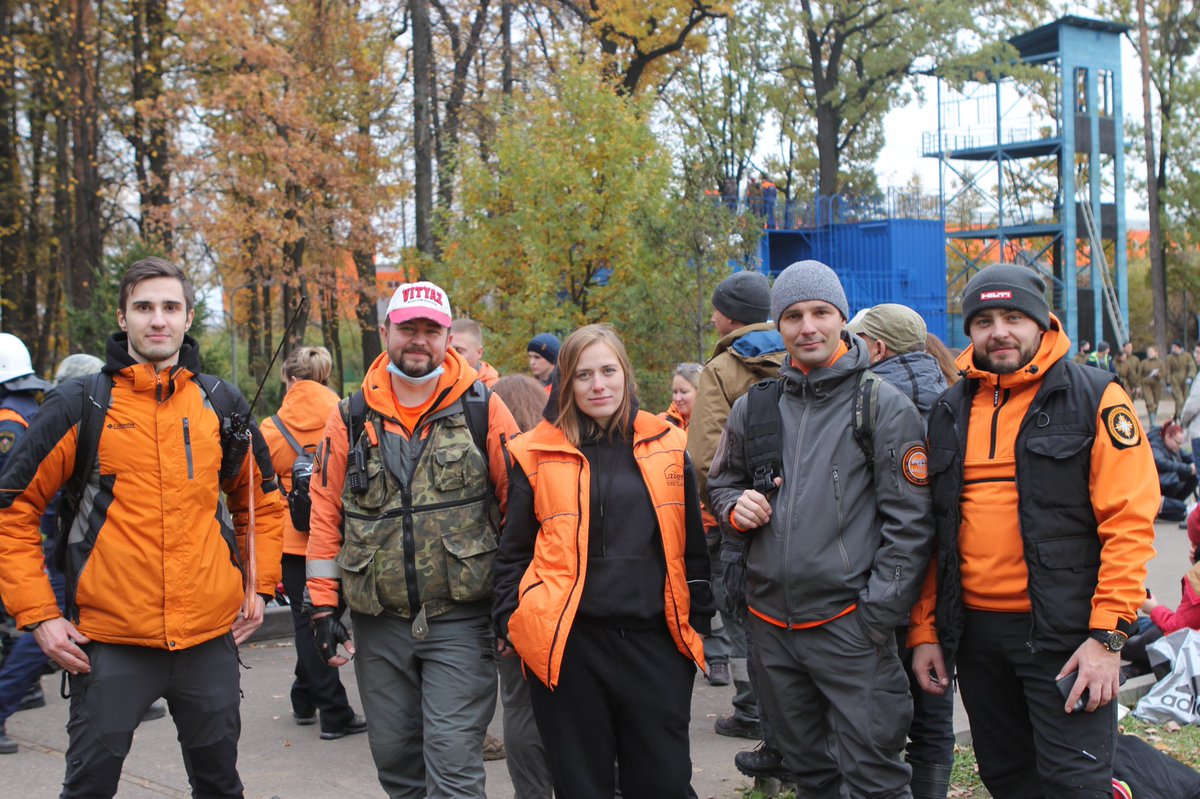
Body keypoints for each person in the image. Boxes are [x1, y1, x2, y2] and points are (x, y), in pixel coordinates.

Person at [0, 257, 285, 796]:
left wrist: (259, 585)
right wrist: (39, 616)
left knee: (220, 786)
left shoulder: (220, 402)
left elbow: (261, 504)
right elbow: (12, 512)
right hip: (108, 643)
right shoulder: (80, 403)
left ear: (188, 318)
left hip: (208, 640)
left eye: (170, 307)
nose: (158, 319)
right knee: (88, 788)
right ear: (123, 316)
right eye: (144, 307)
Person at [909, 263, 1159, 799]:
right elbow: (934, 536)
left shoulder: (1095, 396)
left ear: (1042, 322)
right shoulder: (948, 410)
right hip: (976, 639)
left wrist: (1107, 639)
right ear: (969, 330)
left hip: (1067, 636)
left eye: (1013, 317)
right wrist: (926, 631)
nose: (999, 332)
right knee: (1007, 779)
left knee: (1074, 784)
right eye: (984, 321)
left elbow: (1129, 524)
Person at [707, 260, 935, 799]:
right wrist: (735, 505)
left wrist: (873, 618)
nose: (807, 327)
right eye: (793, 316)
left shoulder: (881, 405)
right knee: (810, 777)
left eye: (821, 313)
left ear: (841, 319)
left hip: (849, 629)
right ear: (778, 326)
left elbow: (911, 526)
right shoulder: (755, 407)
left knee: (876, 779)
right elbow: (720, 484)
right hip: (772, 630)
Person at [305, 280, 519, 798]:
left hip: (461, 618)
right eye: (408, 328)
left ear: (447, 337)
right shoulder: (349, 416)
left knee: (453, 762)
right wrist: (322, 607)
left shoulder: (483, 409)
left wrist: (513, 604)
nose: (418, 340)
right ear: (386, 332)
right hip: (378, 621)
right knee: (397, 763)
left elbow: (520, 510)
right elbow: (325, 513)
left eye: (431, 330)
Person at [493, 324, 714, 799]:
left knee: (664, 783)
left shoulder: (669, 443)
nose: (598, 385)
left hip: (654, 644)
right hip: (570, 648)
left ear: (625, 375)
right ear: (566, 383)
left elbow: (692, 548)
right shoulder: (534, 452)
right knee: (582, 787)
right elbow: (514, 552)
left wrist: (697, 624)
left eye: (608, 371)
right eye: (584, 375)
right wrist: (513, 620)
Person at [848, 303, 953, 798]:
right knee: (933, 708)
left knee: (873, 714)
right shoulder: (953, 401)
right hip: (944, 584)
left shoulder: (864, 405)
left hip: (878, 581)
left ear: (876, 348)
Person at [687, 270, 786, 767]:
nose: (711, 317)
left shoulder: (723, 369)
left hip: (741, 520)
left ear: (729, 316)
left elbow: (706, 458)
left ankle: (752, 713)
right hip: (809, 516)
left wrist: (726, 507)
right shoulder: (800, 352)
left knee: (743, 616)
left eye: (716, 309)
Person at [259, 346, 366, 741]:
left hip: (292, 541)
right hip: (339, 532)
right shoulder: (346, 415)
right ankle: (321, 706)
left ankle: (317, 703)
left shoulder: (271, 428)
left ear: (289, 379)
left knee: (309, 625)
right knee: (325, 619)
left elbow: (258, 486)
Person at [488, 374, 554, 799]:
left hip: (505, 598)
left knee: (518, 702)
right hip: (554, 592)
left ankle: (531, 794)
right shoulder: (551, 457)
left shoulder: (490, 456)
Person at [848, 303, 948, 418]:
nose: (854, 348)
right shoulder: (946, 394)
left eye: (859, 342)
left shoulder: (866, 402)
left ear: (879, 350)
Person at [1148, 419, 1196, 522]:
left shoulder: (1174, 446)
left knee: (1194, 475)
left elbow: (1188, 456)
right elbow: (1162, 462)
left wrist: (1197, 464)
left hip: (1167, 486)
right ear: (1168, 437)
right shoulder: (1154, 445)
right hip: (1157, 486)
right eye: (1177, 443)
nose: (1179, 446)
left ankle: (1178, 506)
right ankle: (1183, 508)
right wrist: (1188, 469)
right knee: (1175, 475)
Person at [451, 317, 500, 388]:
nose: (451, 355)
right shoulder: (437, 379)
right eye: (447, 350)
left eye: (459, 351)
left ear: (479, 353)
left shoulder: (493, 388)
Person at [1168, 340, 1197, 415]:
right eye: (1172, 347)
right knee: (1179, 400)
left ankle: (1183, 416)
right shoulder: (1170, 358)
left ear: (1179, 347)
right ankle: (1180, 416)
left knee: (1186, 400)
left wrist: (1190, 376)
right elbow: (1167, 371)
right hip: (1174, 381)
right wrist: (1168, 383)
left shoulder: (1187, 356)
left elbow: (1192, 366)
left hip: (1186, 381)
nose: (1173, 349)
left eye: (1175, 347)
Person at [1142, 345, 1164, 427]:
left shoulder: (1159, 363)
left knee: (1156, 403)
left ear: (1156, 352)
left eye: (1151, 352)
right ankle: (1153, 422)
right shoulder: (1144, 363)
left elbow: (1163, 373)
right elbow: (1139, 374)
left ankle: (1153, 420)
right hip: (1146, 384)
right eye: (1148, 352)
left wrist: (1157, 374)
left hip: (1156, 385)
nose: (1150, 353)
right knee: (1150, 402)